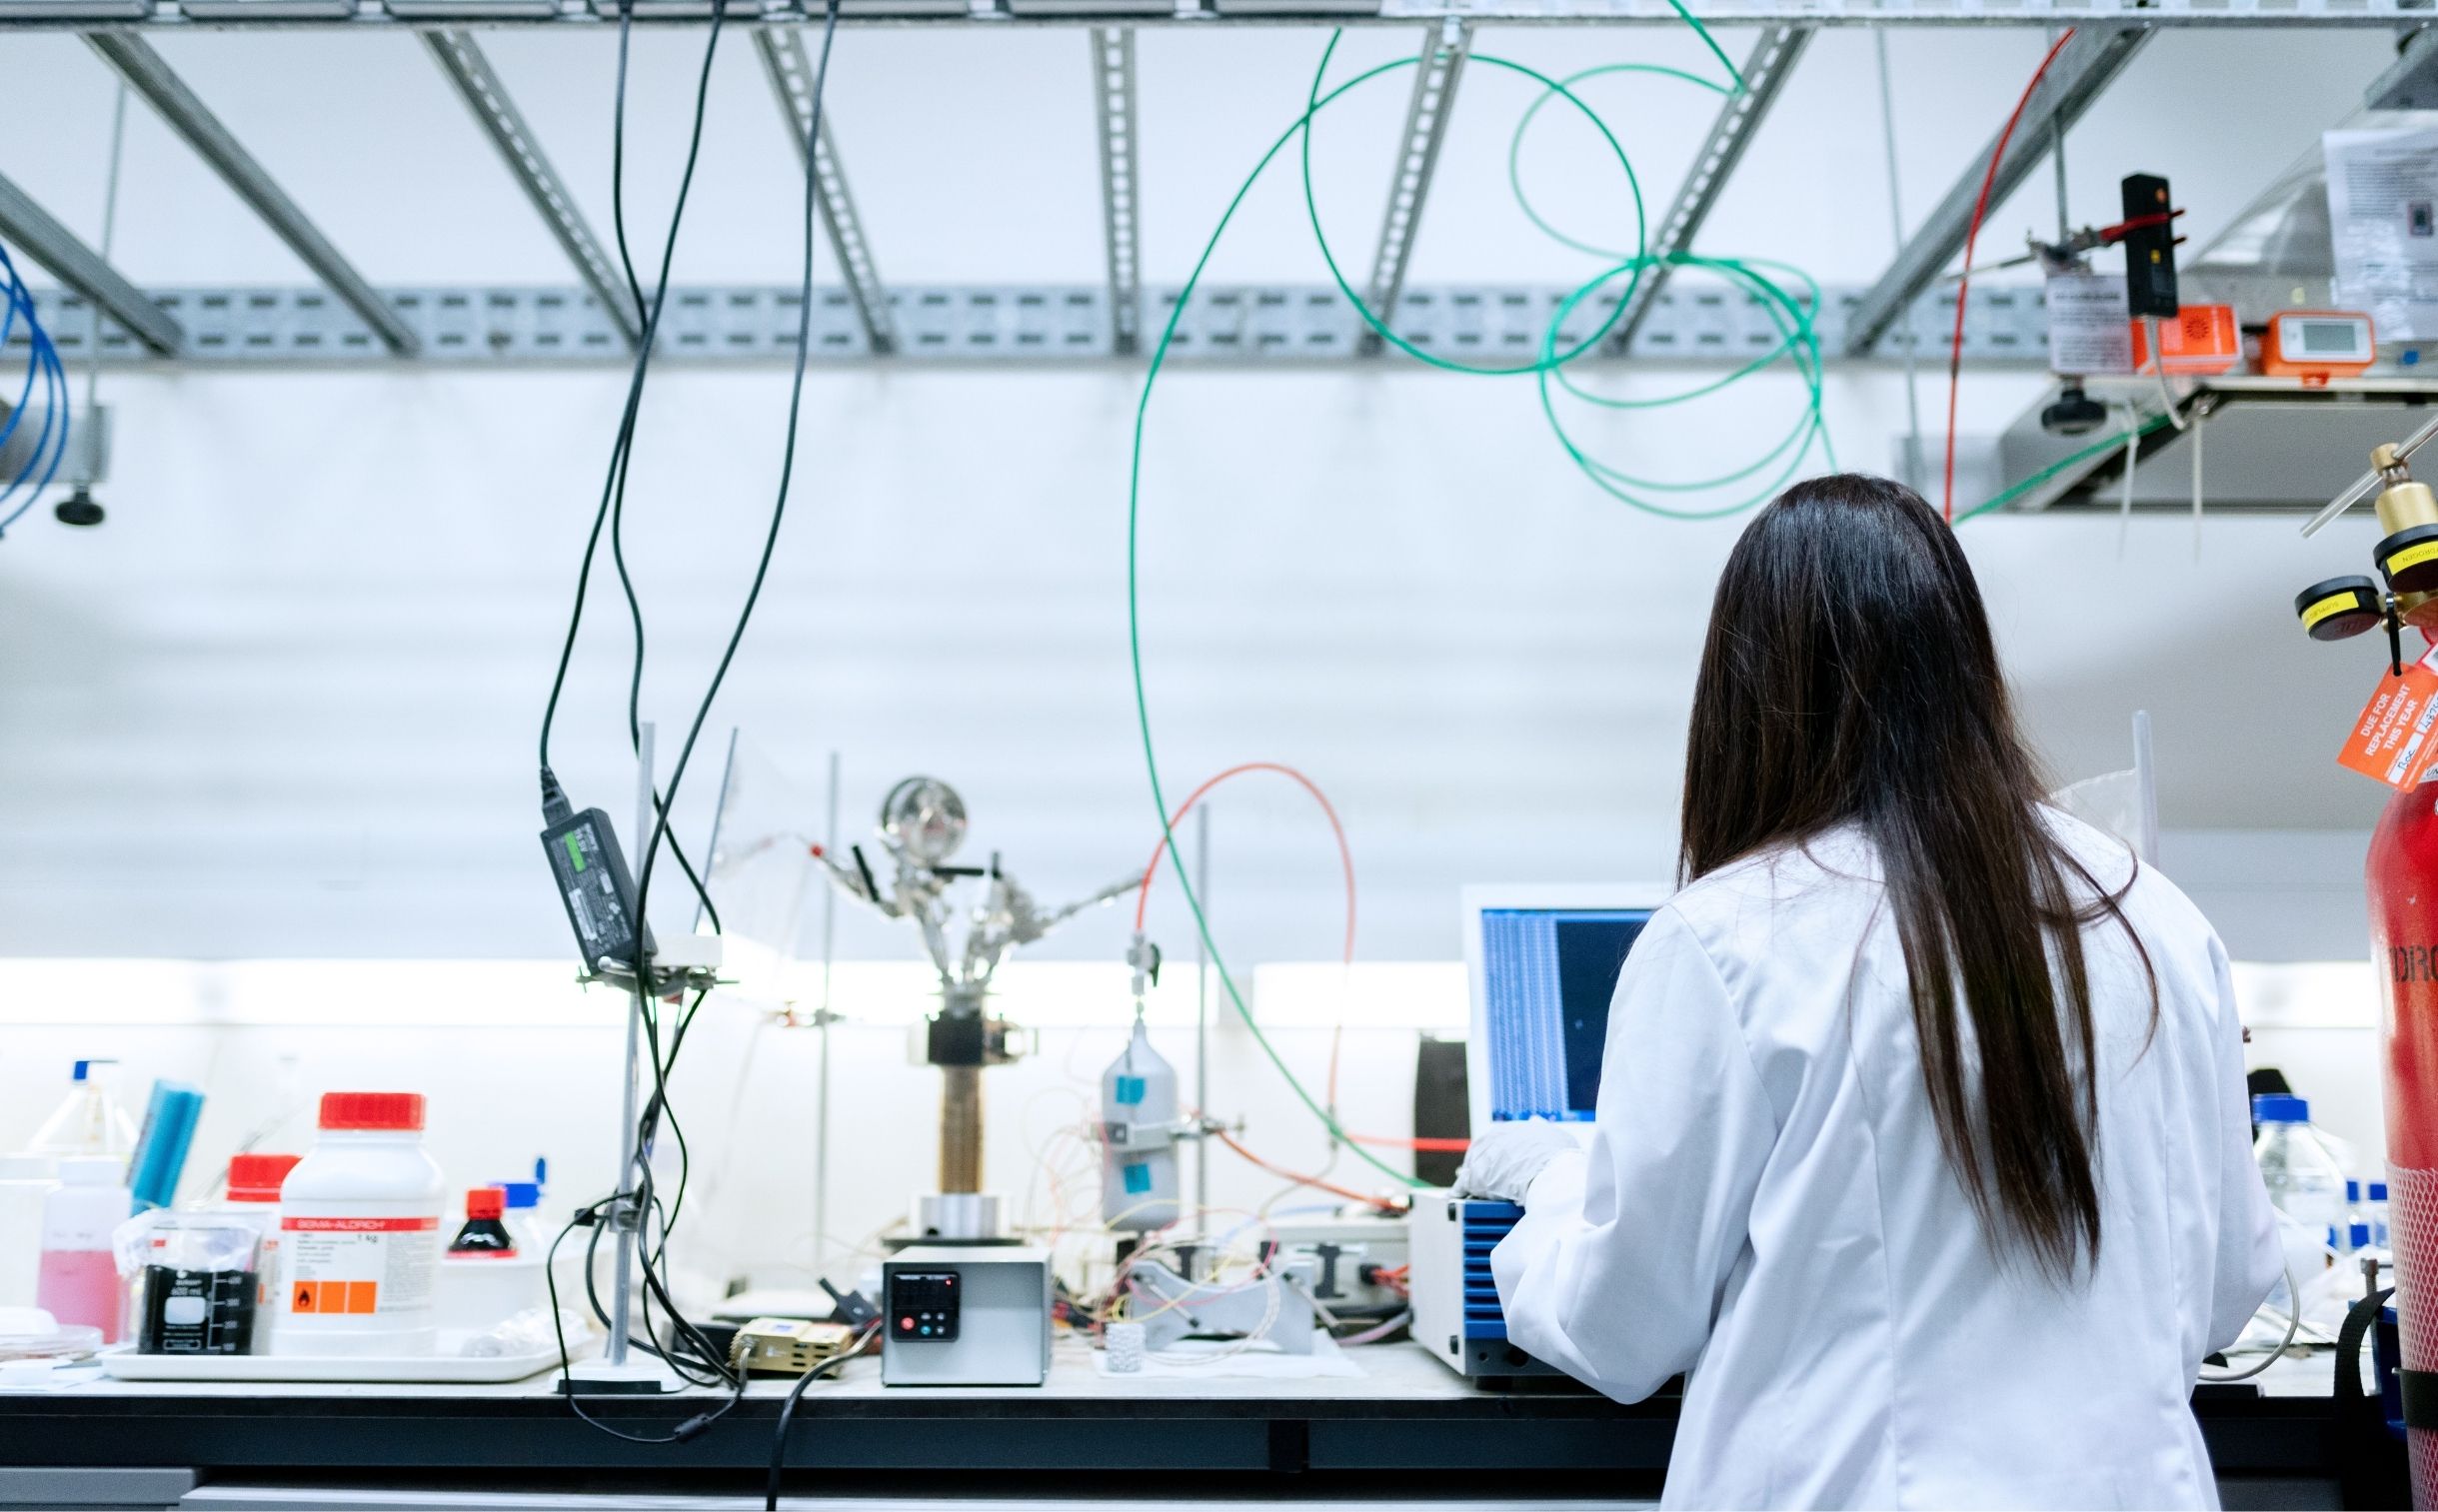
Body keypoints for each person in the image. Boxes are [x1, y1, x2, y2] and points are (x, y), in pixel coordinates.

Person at [1455, 474, 2282, 1509]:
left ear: (1749, 693)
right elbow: (2223, 1291)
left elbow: (1624, 1324)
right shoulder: (2148, 915)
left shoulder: (1732, 937)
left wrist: (1546, 1186)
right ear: (1968, 664)